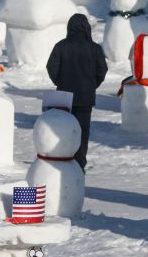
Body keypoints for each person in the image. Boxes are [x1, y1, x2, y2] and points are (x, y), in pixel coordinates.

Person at [46, 13, 109, 169]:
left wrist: (59, 82)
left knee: (63, 130)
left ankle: (63, 159)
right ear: (87, 28)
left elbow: (51, 67)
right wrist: (92, 85)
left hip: (63, 96)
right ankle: (79, 163)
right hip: (85, 97)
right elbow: (102, 70)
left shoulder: (61, 46)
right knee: (82, 131)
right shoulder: (94, 48)